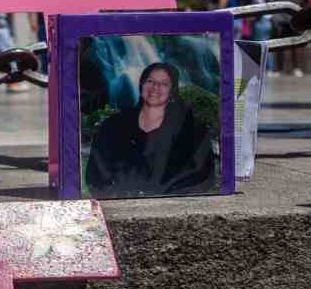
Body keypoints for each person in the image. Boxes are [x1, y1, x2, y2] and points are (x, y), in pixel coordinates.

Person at [85, 62, 216, 198]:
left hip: (172, 207)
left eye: (164, 84)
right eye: (150, 81)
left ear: (172, 90)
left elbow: (203, 175)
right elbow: (96, 172)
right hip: (121, 204)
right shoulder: (113, 125)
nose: (155, 88)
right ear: (141, 84)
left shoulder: (192, 129)